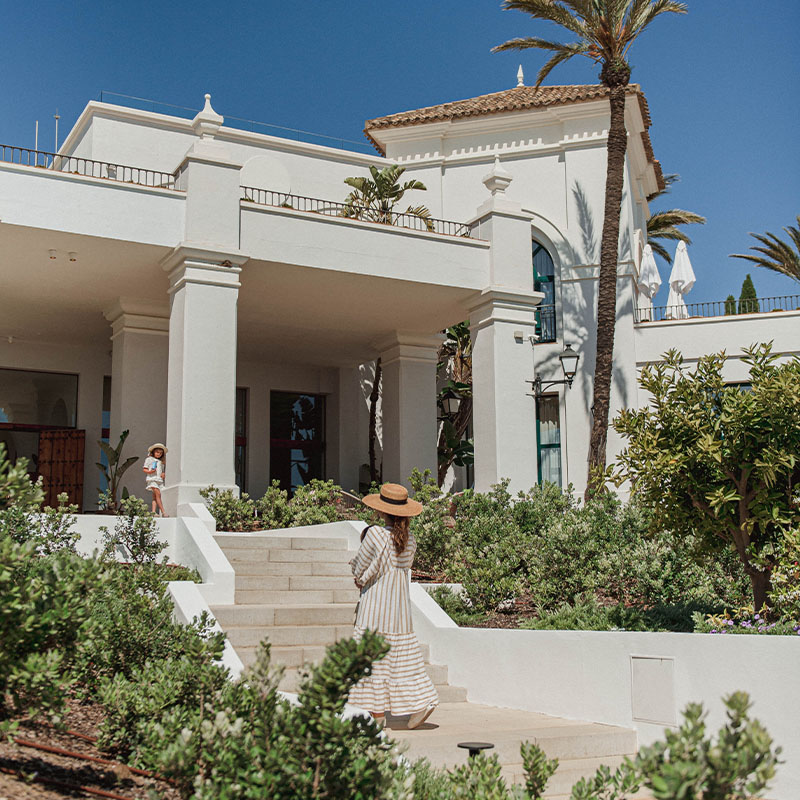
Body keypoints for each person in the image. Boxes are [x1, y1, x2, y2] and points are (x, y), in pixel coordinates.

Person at [348, 482, 438, 730]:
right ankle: (422, 701)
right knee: (404, 660)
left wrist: (360, 578)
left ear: (382, 509)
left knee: (372, 658)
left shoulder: (375, 534)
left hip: (376, 606)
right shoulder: (410, 541)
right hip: (399, 610)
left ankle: (377, 714)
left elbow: (360, 566)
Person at [143, 443, 167, 517]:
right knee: (158, 494)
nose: (159, 454)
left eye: (160, 453)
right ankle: (163, 512)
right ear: (153, 452)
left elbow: (162, 470)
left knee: (155, 497)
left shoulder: (161, 462)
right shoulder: (149, 459)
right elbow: (144, 469)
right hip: (152, 479)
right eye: (157, 452)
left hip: (159, 480)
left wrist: (163, 473)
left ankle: (153, 512)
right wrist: (150, 472)